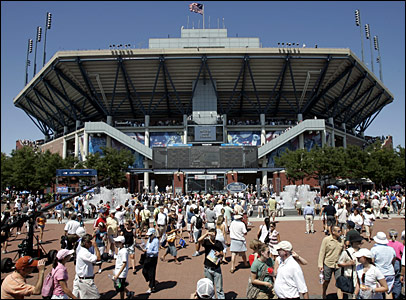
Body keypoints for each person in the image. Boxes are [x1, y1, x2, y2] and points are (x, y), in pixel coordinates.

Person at [318, 225, 345, 299]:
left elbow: (343, 252)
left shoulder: (342, 240)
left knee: (339, 282)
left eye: (340, 231)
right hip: (328, 264)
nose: (340, 232)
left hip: (338, 265)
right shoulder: (326, 240)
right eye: (339, 231)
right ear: (333, 232)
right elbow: (322, 252)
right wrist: (320, 264)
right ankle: (324, 293)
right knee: (326, 280)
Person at [198, 228, 225, 299]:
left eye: (214, 233)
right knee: (209, 287)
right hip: (207, 268)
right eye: (211, 233)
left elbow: (222, 253)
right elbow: (199, 240)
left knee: (219, 288)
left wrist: (219, 253)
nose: (212, 235)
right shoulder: (206, 242)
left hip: (216, 268)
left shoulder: (218, 243)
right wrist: (206, 234)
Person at [72, 234, 101, 299]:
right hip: (86, 281)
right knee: (96, 297)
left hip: (82, 279)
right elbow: (98, 258)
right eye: (90, 242)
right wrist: (96, 246)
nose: (91, 244)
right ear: (86, 243)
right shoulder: (85, 253)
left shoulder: (82, 250)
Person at [336, 234, 364, 299]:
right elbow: (339, 263)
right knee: (348, 292)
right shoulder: (346, 252)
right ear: (353, 243)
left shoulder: (362, 251)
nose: (359, 243)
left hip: (359, 276)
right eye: (358, 242)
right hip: (349, 276)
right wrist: (348, 264)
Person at [370, 232, 396, 299]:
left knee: (378, 292)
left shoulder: (374, 249)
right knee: (388, 291)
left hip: (379, 272)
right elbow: (393, 261)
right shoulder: (391, 249)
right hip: (390, 272)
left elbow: (372, 261)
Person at [142, 228, 159, 294]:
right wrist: (144, 247)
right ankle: (152, 281)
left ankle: (151, 286)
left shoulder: (156, 241)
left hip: (153, 258)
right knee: (144, 271)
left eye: (150, 235)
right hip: (147, 257)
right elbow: (147, 247)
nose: (149, 236)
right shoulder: (149, 240)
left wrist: (149, 251)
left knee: (152, 272)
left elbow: (156, 251)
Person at [387, 229, 403, 299]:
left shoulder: (386, 243)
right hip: (397, 262)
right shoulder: (399, 244)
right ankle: (396, 295)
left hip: (388, 262)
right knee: (397, 280)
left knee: (387, 279)